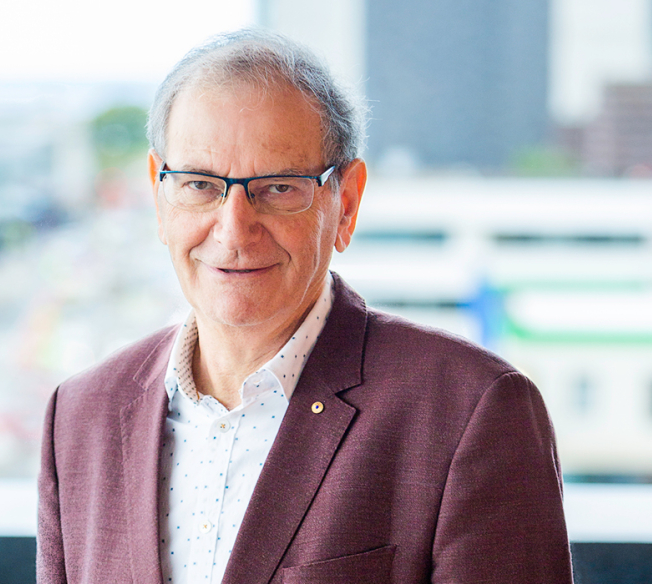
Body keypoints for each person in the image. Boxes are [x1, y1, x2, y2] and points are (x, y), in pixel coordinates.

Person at [37, 29, 573, 584]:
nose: (234, 230)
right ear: (158, 193)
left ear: (346, 203)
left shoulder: (469, 411)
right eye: (199, 184)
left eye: (277, 188)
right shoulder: (80, 416)